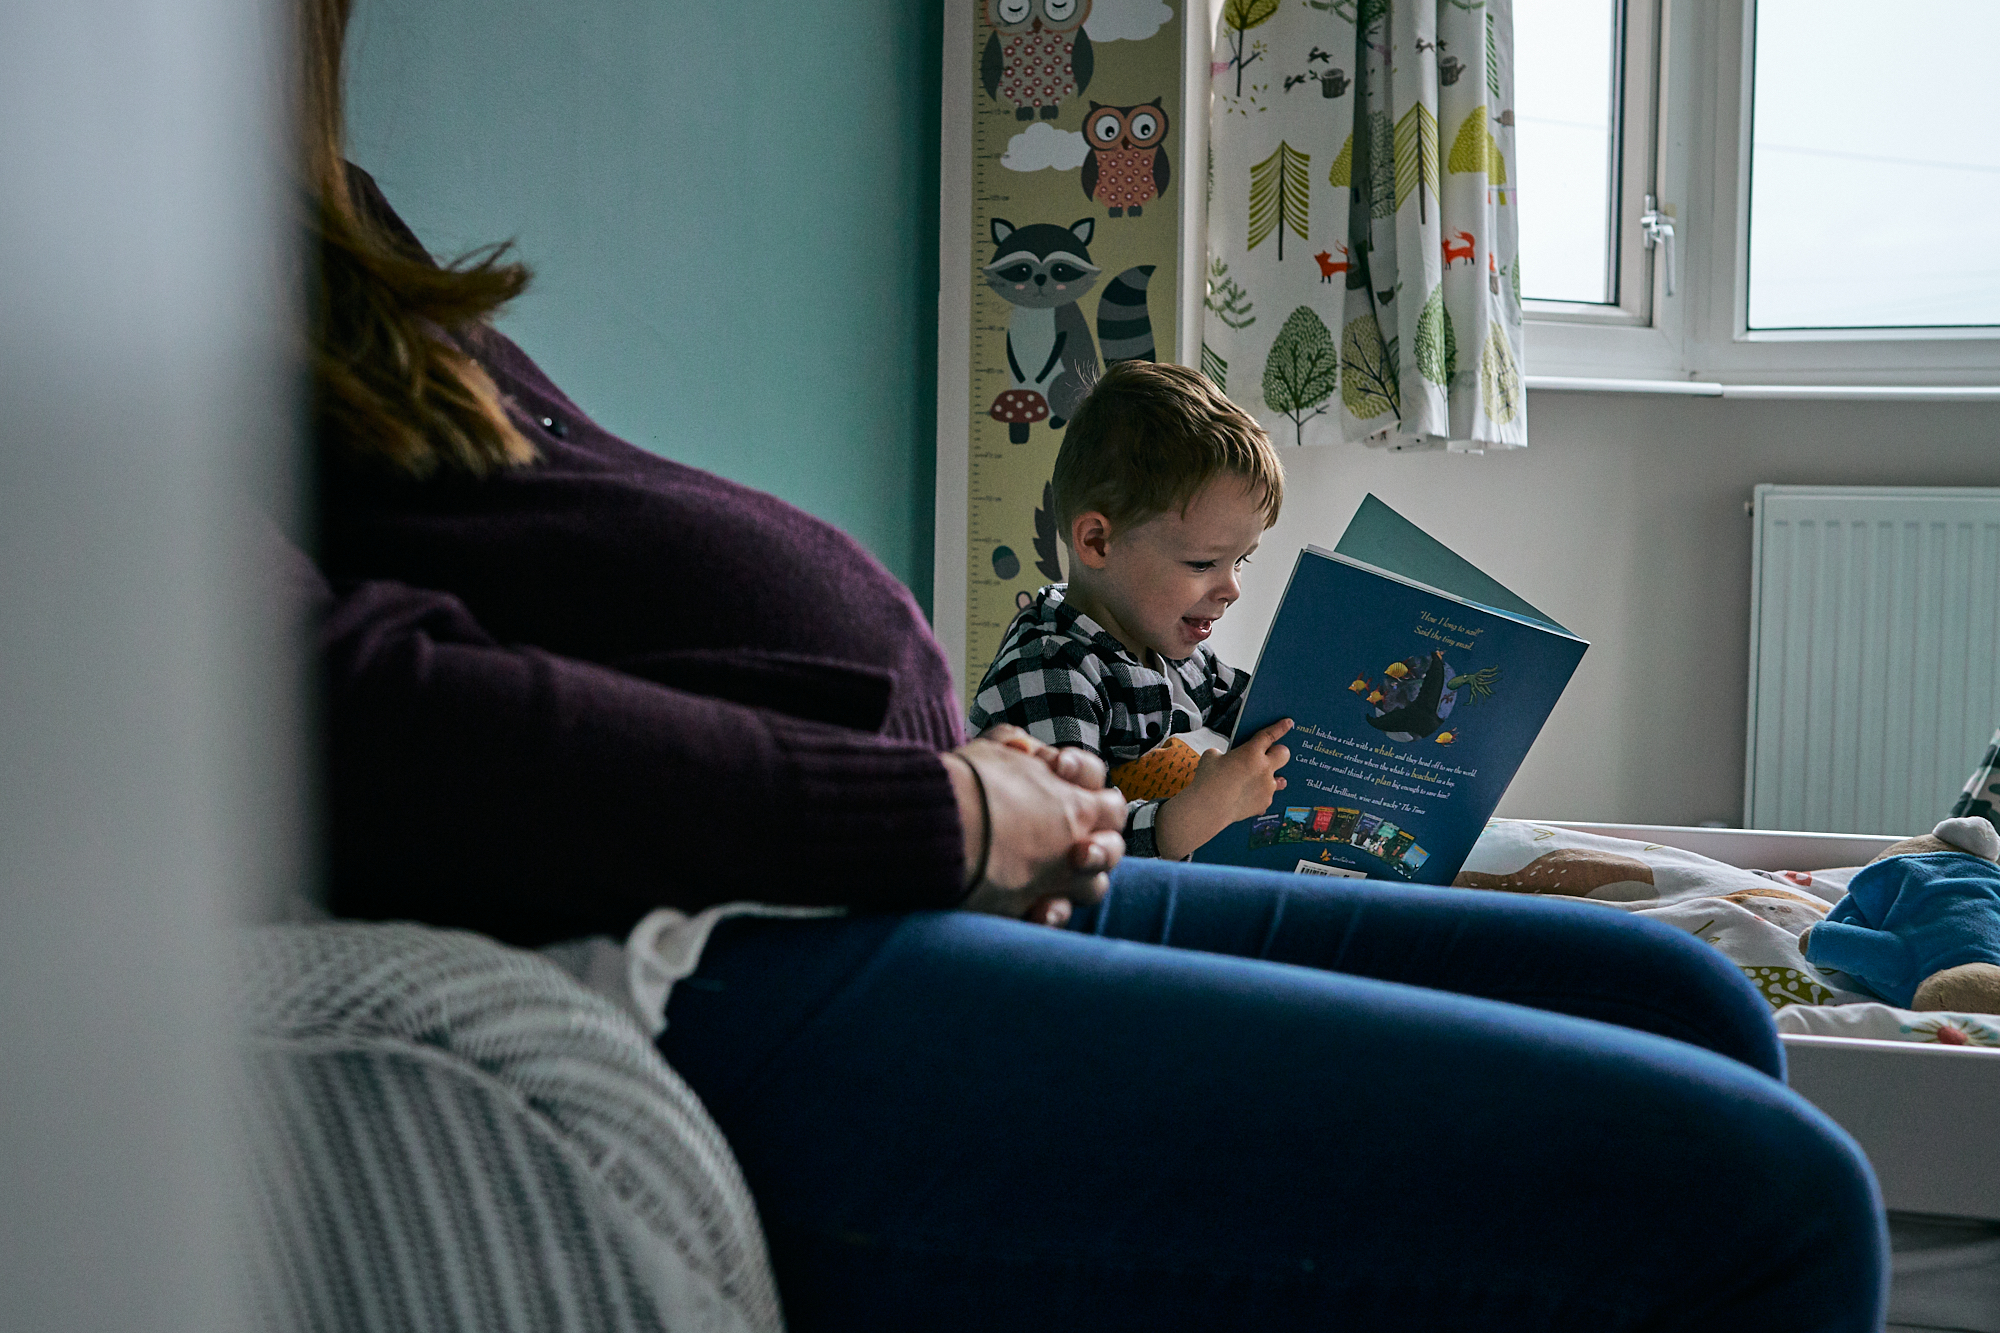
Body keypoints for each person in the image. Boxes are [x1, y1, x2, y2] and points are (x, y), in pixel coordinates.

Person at [296, 0, 1889, 1327]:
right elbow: (348, 709)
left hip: (891, 860)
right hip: (734, 933)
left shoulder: (300, 220)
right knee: (1778, 1204)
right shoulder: (103, 248)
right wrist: (946, 813)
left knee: (1690, 1002)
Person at [969, 361, 1295, 859]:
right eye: (1203, 562)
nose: (1231, 588)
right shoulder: (1050, 669)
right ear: (1098, 542)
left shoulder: (1172, 654)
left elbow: (1267, 713)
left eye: (1241, 560)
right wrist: (1197, 812)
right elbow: (1065, 849)